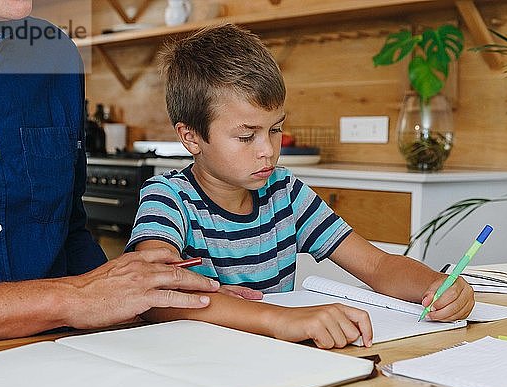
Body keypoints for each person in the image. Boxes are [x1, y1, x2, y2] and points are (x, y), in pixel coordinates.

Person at [126, 23, 475, 349]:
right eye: (247, 136)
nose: (268, 150)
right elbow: (154, 292)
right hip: (192, 361)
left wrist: (433, 286)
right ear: (191, 137)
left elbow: (376, 266)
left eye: (275, 129)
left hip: (274, 358)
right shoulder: (169, 198)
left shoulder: (285, 193)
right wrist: (281, 320)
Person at [0, 1, 241, 348]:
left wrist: (156, 297)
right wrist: (69, 299)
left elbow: (67, 232)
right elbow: (78, 294)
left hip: (67, 354)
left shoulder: (52, 52)